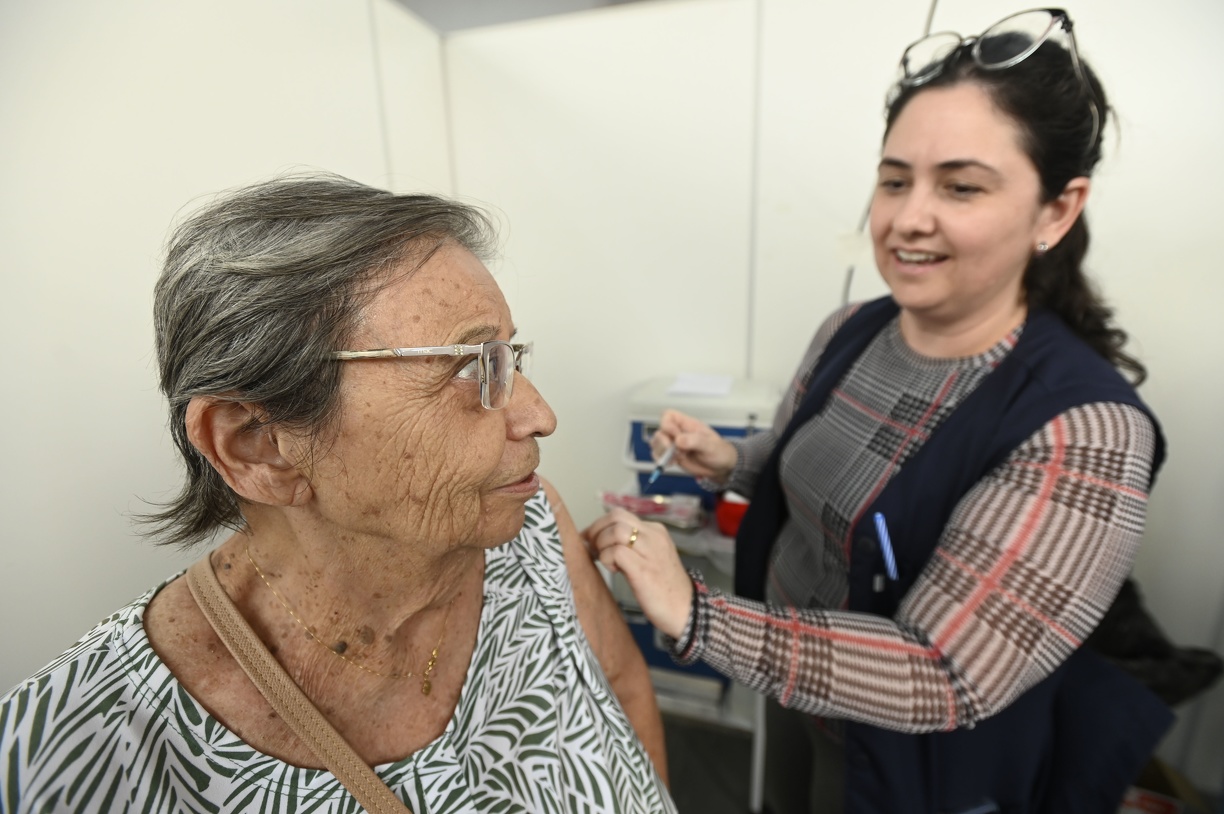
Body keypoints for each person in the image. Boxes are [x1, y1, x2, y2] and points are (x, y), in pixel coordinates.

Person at [584, 9, 1171, 814]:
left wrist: (695, 613)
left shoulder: (1086, 431)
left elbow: (945, 670)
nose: (906, 218)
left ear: (1056, 211)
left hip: (910, 764)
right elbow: (822, 467)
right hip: (789, 686)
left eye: (960, 186)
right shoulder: (853, 329)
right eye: (895, 180)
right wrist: (734, 462)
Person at [0, 175, 675, 813]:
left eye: (509, 356)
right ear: (257, 444)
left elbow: (618, 685)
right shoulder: (72, 751)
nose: (539, 414)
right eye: (473, 367)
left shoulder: (530, 529)